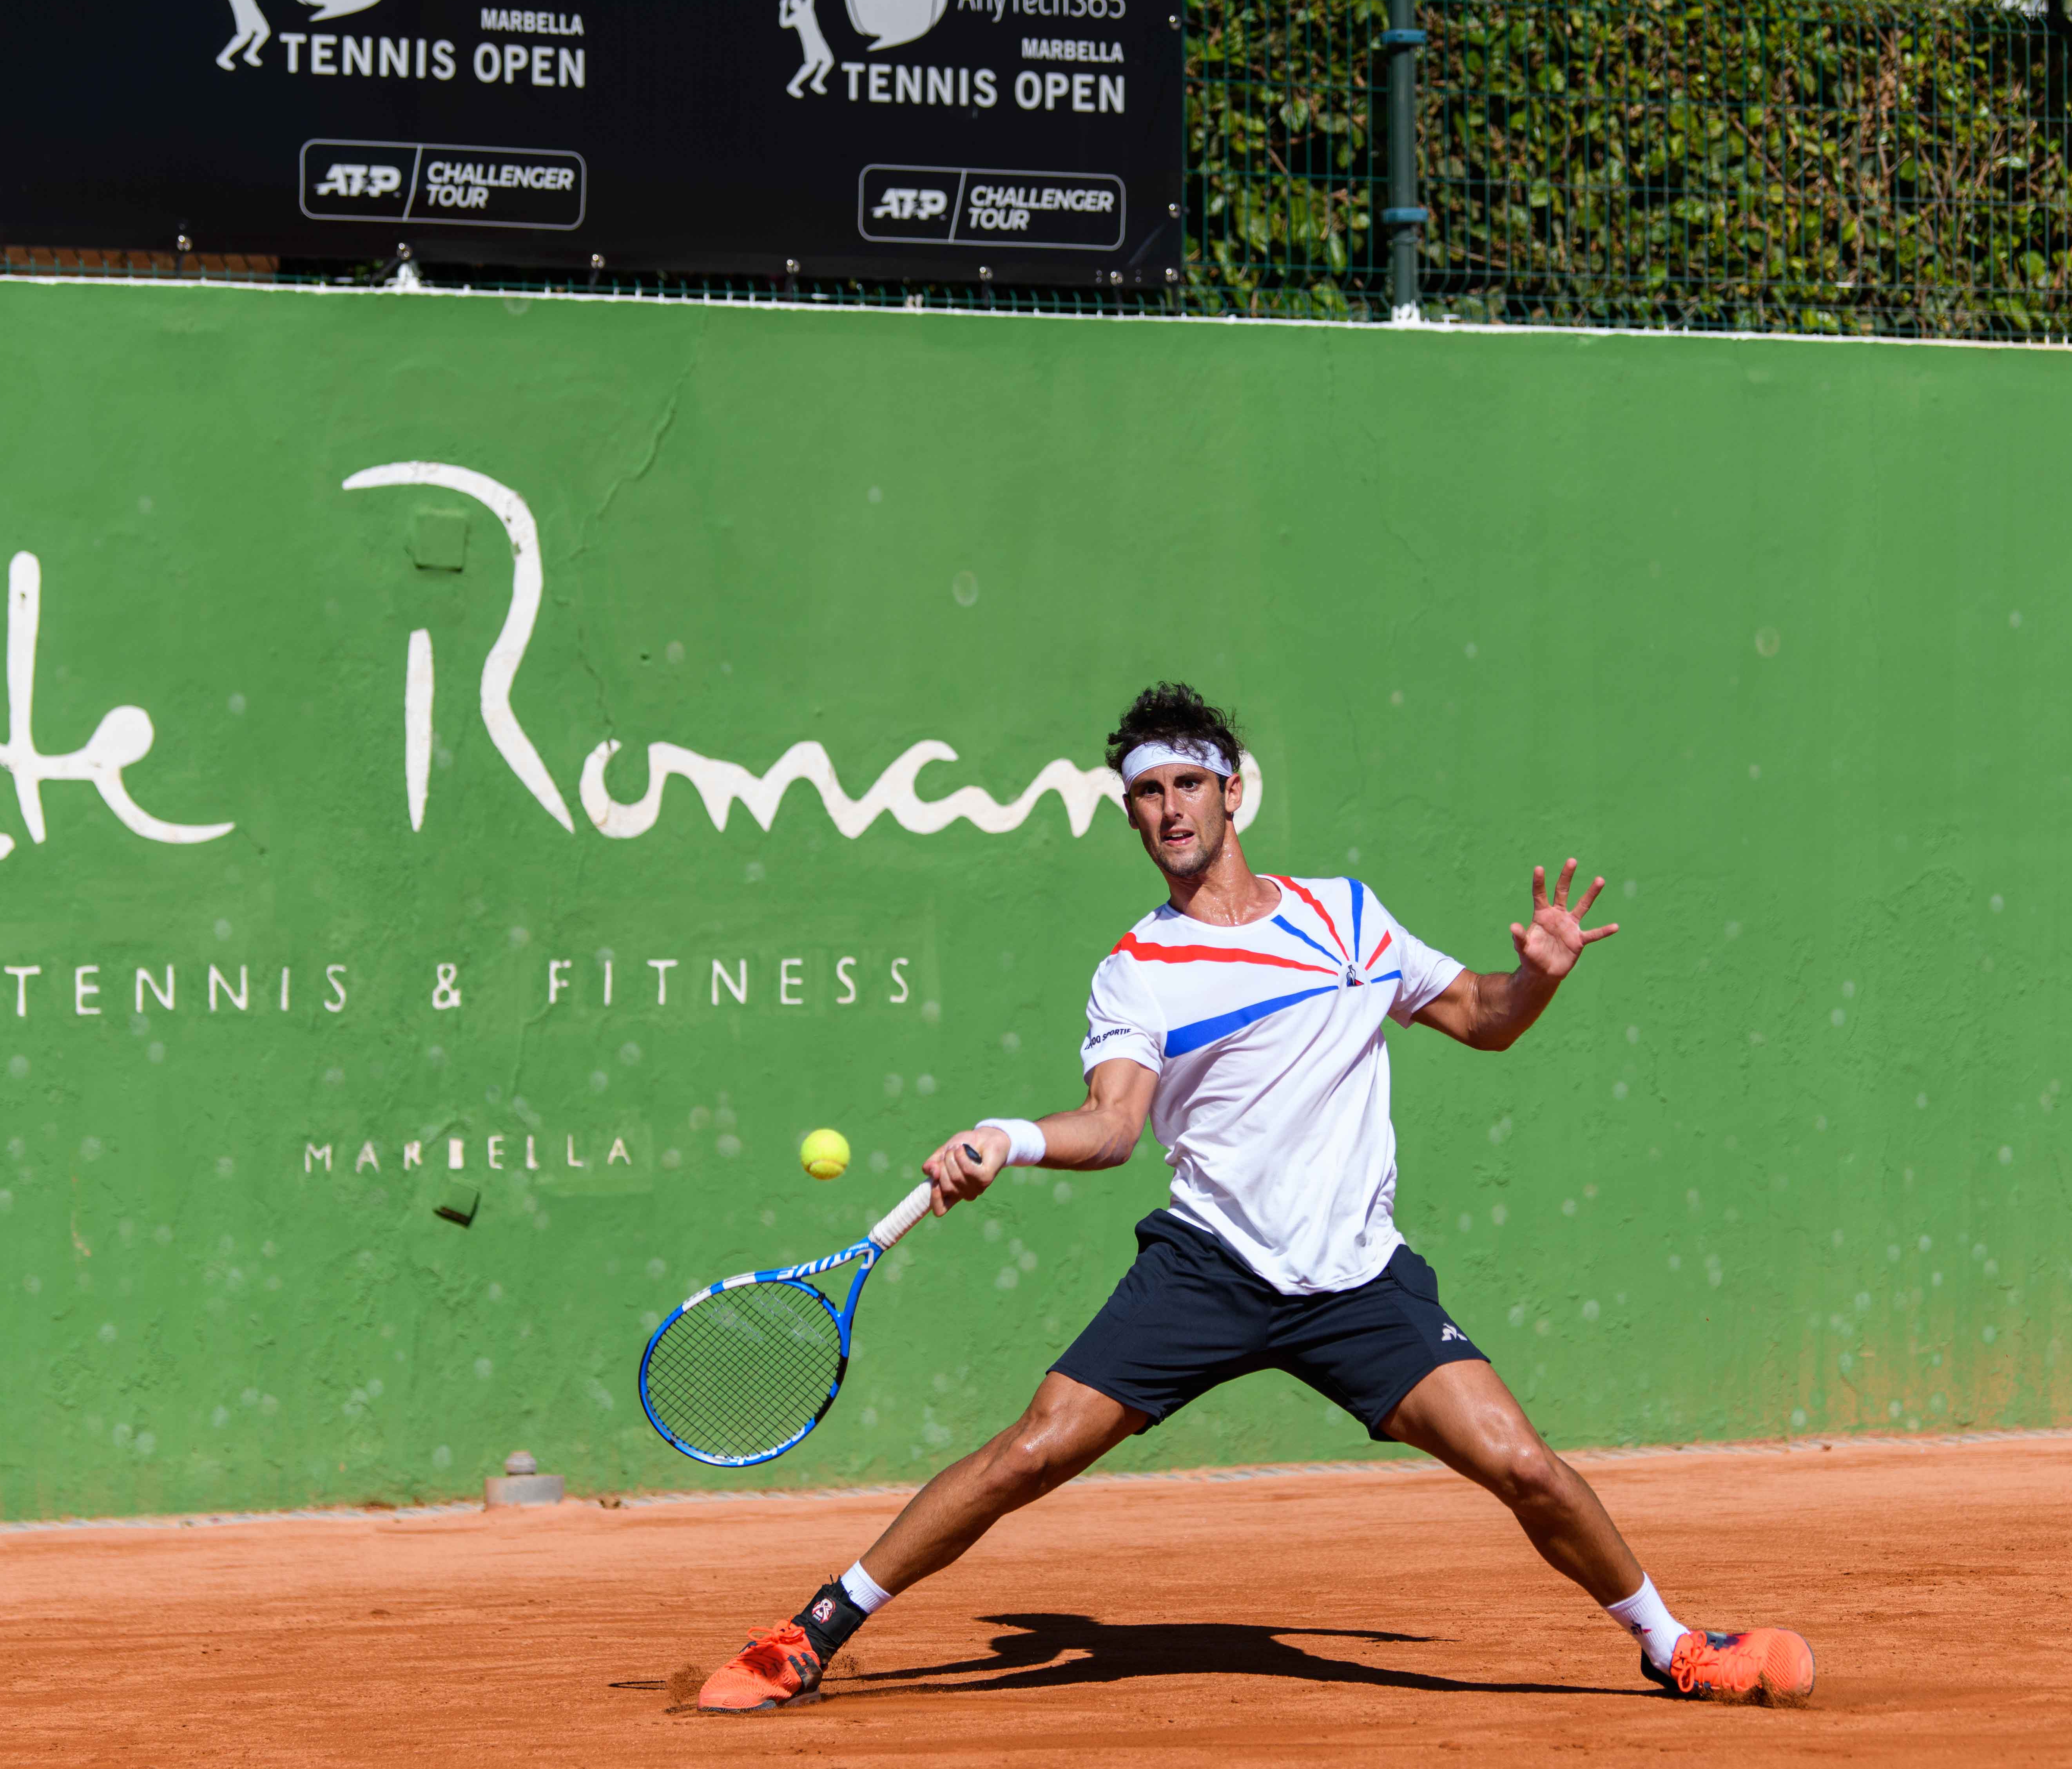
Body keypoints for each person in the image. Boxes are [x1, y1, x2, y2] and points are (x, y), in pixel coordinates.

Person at [697, 681, 1815, 1713]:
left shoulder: (1346, 918)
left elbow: (1480, 1016)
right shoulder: (1138, 968)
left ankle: (1675, 1645)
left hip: (1356, 1280)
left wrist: (1537, 977)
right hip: (1210, 1265)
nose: (1170, 808)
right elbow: (1114, 1126)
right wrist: (1013, 1136)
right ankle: (810, 1633)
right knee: (1032, 1451)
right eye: (1146, 792)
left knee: (1520, 1462)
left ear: (1232, 791)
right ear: (1131, 816)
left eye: (1188, 783)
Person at [779, 0, 833, 98]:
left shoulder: (807, 8)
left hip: (818, 40)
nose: (798, 1)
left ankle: (816, 82)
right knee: (812, 64)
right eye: (795, 2)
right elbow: (783, 23)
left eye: (799, 0)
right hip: (810, 45)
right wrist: (783, 8)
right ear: (794, 7)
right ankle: (793, 85)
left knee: (829, 61)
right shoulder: (796, 17)